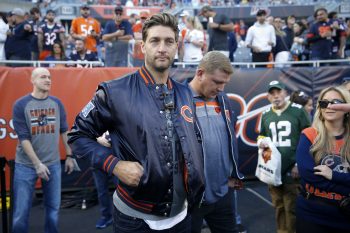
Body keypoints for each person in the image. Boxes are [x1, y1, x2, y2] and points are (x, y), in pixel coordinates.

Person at [68, 12, 204, 233]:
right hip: (134, 219)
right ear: (143, 47)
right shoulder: (114, 91)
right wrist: (115, 165)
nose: (162, 47)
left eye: (169, 41)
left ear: (177, 47)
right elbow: (77, 136)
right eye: (155, 41)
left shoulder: (185, 92)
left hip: (183, 216)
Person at [187, 51, 245, 233]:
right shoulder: (177, 100)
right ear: (200, 73)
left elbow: (228, 140)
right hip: (191, 198)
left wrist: (232, 172)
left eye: (225, 83)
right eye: (217, 82)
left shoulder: (223, 99)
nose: (221, 88)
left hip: (223, 193)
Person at [12, 67, 75, 233]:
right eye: (43, 77)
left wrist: (69, 155)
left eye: (49, 77)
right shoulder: (21, 105)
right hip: (26, 165)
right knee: (20, 213)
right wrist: (37, 164)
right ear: (32, 80)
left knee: (53, 210)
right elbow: (23, 138)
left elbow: (64, 131)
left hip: (53, 164)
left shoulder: (57, 103)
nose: (48, 80)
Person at [258, 80, 311, 233]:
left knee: (292, 207)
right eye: (272, 93)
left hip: (292, 168)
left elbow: (309, 138)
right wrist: (261, 142)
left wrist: (299, 164)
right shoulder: (266, 114)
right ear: (268, 97)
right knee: (279, 206)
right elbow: (262, 136)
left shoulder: (298, 111)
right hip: (273, 168)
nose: (276, 96)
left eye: (279, 92)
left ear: (285, 93)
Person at [295, 86, 350, 232]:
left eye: (336, 102)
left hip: (345, 216)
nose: (329, 106)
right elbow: (309, 176)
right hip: (311, 214)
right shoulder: (309, 134)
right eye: (324, 103)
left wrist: (333, 175)